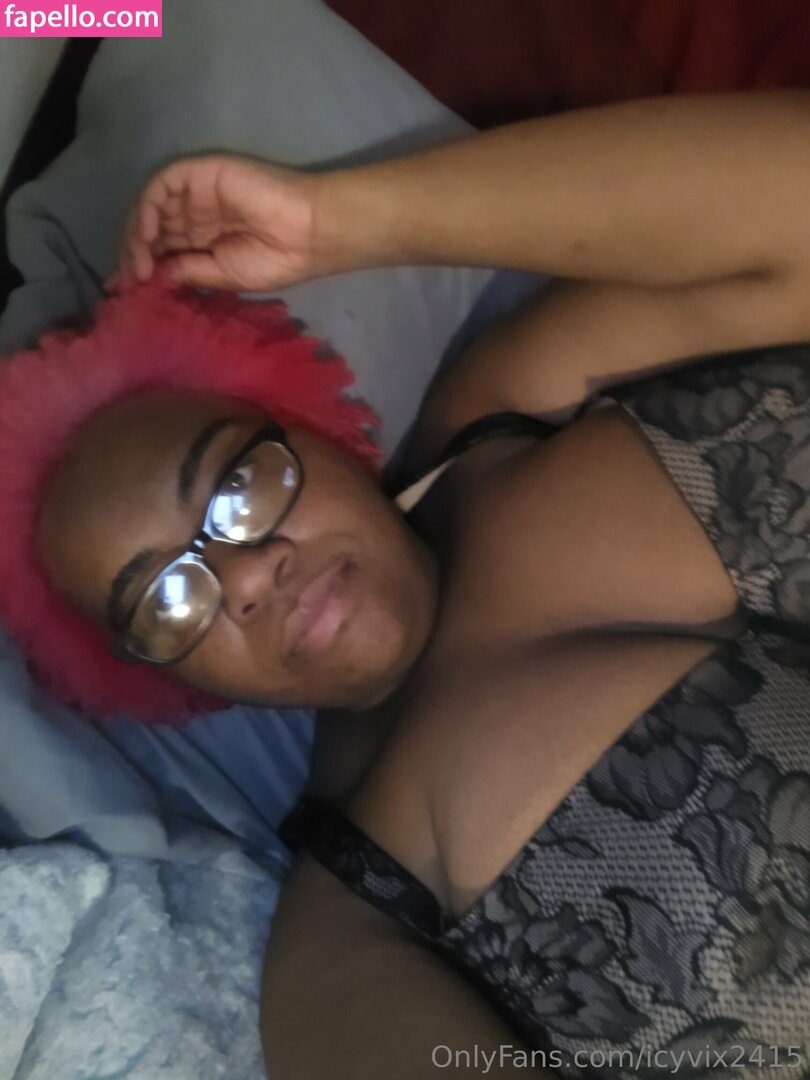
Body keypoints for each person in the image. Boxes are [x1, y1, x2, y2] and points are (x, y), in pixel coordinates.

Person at [18, 92, 810, 1075]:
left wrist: (343, 220)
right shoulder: (340, 943)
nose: (251, 571)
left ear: (315, 433)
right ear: (178, 679)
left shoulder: (501, 411)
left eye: (237, 486)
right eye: (170, 599)